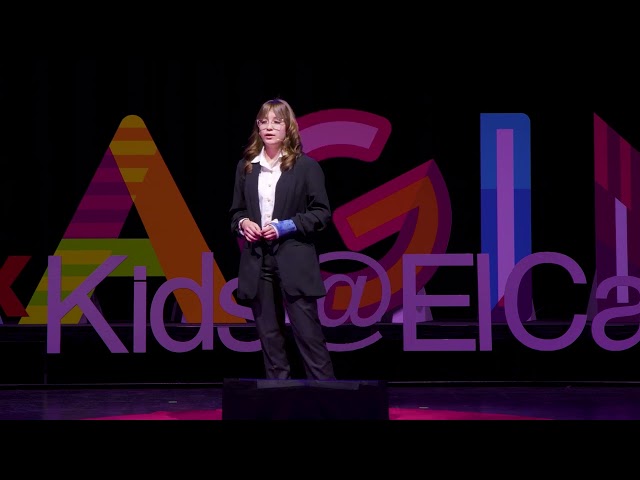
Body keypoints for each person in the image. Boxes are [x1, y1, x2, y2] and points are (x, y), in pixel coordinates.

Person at [229, 98, 336, 381]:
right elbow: (236, 212)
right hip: (258, 260)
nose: (269, 127)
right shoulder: (246, 167)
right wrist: (244, 223)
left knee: (309, 337)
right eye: (264, 121)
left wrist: (285, 226)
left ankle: (326, 398)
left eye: (276, 122)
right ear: (257, 126)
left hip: (294, 259)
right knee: (270, 340)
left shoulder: (306, 167)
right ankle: (278, 399)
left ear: (288, 127)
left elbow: (321, 213)